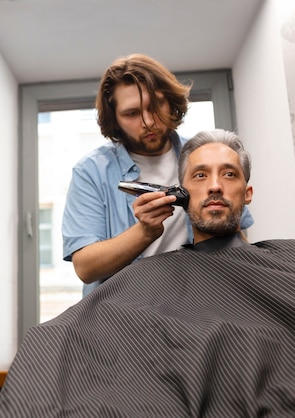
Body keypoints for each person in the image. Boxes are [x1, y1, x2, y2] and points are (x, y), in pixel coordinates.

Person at [0, 130, 295, 417]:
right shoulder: (148, 280)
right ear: (181, 194)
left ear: (248, 193)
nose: (215, 185)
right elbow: (61, 347)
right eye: (200, 175)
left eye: (229, 174)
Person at [62, 54, 253, 296]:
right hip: (127, 311)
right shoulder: (91, 171)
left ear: (171, 102)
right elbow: (86, 267)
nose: (148, 121)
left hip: (202, 297)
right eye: (132, 114)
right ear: (115, 120)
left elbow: (237, 236)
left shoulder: (202, 158)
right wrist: (144, 232)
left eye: (155, 106)